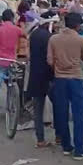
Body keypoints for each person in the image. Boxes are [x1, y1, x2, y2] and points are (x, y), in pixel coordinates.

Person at [48, 12, 83, 160]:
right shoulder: (81, 39)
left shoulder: (54, 39)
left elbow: (49, 60)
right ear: (78, 25)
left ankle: (66, 145)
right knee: (79, 115)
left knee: (62, 113)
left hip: (59, 79)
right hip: (76, 79)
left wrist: (59, 65)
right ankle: (79, 149)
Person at [26, 19, 56, 148]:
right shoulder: (50, 37)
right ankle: (59, 136)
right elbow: (51, 59)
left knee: (38, 110)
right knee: (58, 105)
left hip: (35, 76)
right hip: (49, 76)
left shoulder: (34, 35)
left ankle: (40, 139)